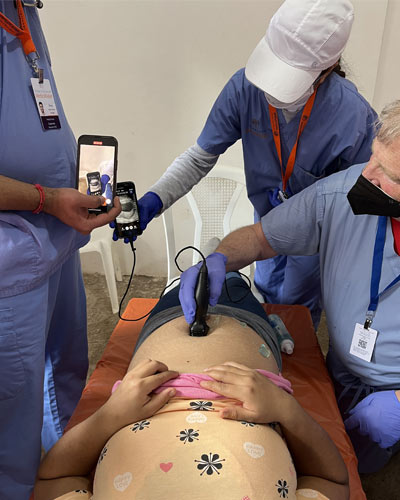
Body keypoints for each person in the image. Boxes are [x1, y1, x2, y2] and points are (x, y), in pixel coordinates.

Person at [178, 100, 400, 474]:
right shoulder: (341, 194)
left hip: (391, 395)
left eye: (390, 174)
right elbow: (261, 238)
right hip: (344, 367)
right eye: (372, 157)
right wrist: (218, 260)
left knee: (350, 466)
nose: (368, 173)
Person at [125, 0, 377, 328]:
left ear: (326, 70)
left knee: (298, 315)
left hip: (315, 236)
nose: (272, 92)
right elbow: (200, 157)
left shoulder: (352, 115)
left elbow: (357, 203)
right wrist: (155, 199)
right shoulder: (244, 89)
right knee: (266, 301)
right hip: (264, 223)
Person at [34, 274, 349, 500]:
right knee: (230, 279)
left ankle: (182, 279)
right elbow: (330, 482)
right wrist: (286, 410)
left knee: (187, 279)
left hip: (159, 339)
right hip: (248, 336)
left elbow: (53, 478)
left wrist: (110, 416)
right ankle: (230, 277)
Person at [0, 2, 120, 499]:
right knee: (14, 398)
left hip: (56, 234)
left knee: (65, 364)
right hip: (13, 256)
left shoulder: (22, 9)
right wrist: (46, 197)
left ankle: (61, 464)